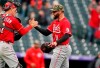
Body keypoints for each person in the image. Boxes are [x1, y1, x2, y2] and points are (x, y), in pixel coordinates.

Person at [0, 1, 37, 68]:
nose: (16, 11)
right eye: (15, 9)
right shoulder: (13, 19)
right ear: (11, 8)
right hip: (6, 46)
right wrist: (31, 26)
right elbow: (22, 32)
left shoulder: (0, 16)